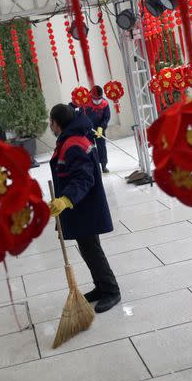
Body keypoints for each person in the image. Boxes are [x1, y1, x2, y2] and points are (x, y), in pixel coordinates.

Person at [48, 103, 121, 313]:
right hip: (80, 206)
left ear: (56, 123)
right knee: (88, 249)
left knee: (92, 250)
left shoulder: (73, 143)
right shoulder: (70, 138)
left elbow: (83, 178)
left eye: (50, 121)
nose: (50, 125)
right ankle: (100, 287)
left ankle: (111, 290)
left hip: (84, 206)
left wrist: (65, 200)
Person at [83, 85, 111, 174]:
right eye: (95, 98)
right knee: (90, 148)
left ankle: (103, 165)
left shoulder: (104, 103)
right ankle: (93, 167)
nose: (97, 100)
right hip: (88, 129)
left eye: (99, 98)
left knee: (101, 147)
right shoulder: (85, 103)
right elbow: (81, 116)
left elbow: (107, 117)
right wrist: (86, 126)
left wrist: (102, 127)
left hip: (99, 129)